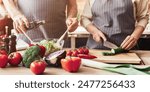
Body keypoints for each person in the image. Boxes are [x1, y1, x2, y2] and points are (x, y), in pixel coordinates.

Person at [3, 0, 78, 46]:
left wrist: (71, 18)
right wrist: (15, 15)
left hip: (58, 43)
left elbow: (72, 5)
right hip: (25, 41)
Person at [81, 0, 149, 50]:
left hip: (128, 50)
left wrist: (135, 36)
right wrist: (94, 31)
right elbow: (84, 18)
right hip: (95, 50)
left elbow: (143, 18)